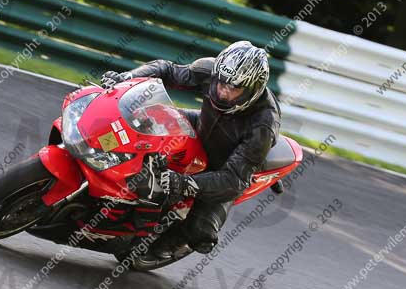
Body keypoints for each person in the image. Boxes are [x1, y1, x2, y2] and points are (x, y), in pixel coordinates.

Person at [101, 41, 280, 256]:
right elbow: (166, 70)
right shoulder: (213, 71)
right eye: (221, 84)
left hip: (225, 163)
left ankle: (163, 245)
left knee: (201, 232)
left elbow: (234, 180)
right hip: (201, 125)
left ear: (252, 91)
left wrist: (183, 182)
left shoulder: (263, 125)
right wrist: (127, 78)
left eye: (234, 89)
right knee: (143, 119)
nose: (223, 92)